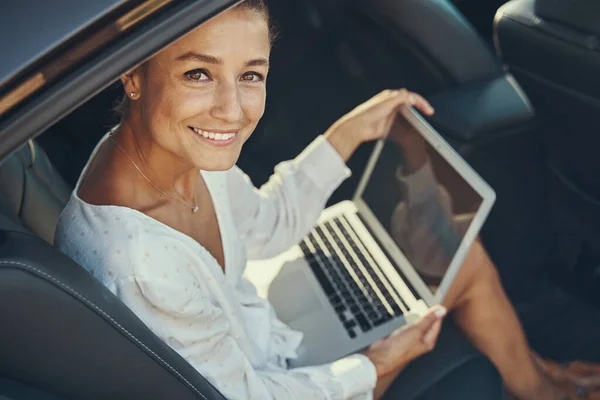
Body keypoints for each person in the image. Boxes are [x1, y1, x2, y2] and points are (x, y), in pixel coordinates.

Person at [54, 1, 598, 399]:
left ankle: (539, 377)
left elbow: (266, 225)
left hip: (263, 323)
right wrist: (375, 361)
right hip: (274, 382)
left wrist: (347, 133)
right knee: (440, 268)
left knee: (449, 246)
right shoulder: (140, 267)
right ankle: (543, 388)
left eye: (251, 76)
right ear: (132, 75)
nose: (232, 109)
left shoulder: (178, 150)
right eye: (199, 73)